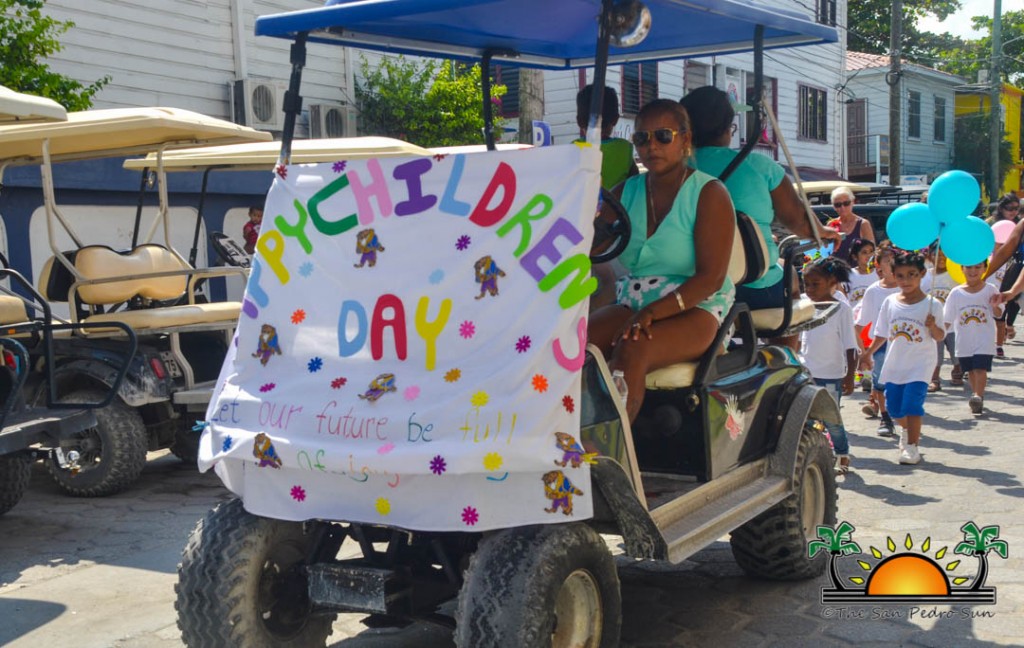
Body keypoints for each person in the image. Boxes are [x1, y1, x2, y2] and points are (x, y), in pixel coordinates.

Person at [589, 99, 735, 422]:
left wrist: (652, 312)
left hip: (695, 306)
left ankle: (612, 448)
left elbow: (710, 279)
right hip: (635, 302)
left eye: (663, 136)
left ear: (685, 140)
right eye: (641, 138)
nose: (651, 146)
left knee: (632, 349)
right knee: (573, 345)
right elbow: (590, 246)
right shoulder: (625, 191)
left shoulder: (709, 193)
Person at [679, 86, 840, 314]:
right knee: (790, 274)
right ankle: (784, 337)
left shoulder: (672, 172)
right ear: (727, 128)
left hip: (688, 286)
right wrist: (823, 231)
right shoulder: (760, 166)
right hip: (754, 288)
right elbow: (801, 223)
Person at [862, 251, 945, 465]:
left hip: (920, 365)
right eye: (900, 275)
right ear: (893, 275)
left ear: (922, 274)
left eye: (912, 275)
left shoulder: (932, 305)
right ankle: (907, 430)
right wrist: (868, 353)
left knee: (912, 406)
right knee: (895, 409)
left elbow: (940, 336)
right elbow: (881, 333)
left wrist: (933, 326)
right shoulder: (890, 302)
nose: (906, 280)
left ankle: (912, 447)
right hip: (895, 364)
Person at [799, 256, 857, 474]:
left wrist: (849, 376)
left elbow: (851, 346)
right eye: (806, 284)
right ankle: (813, 455)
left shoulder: (841, 309)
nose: (810, 289)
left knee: (832, 419)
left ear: (832, 282)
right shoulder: (804, 305)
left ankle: (842, 454)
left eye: (816, 284)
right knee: (807, 418)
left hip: (831, 375)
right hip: (807, 373)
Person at [945, 261, 1002, 415]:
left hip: (984, 339)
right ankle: (975, 394)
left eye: (978, 267)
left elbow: (999, 314)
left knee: (980, 368)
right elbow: (947, 318)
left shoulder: (990, 289)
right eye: (969, 267)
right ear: (962, 269)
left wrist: (995, 306)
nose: (973, 271)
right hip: (964, 340)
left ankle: (978, 396)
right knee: (970, 370)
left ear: (984, 269)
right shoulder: (956, 293)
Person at [855, 242, 899, 436]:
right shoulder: (873, 291)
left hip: (903, 344)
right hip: (879, 345)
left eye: (894, 260)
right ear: (878, 265)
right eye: (887, 261)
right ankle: (885, 417)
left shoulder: (907, 288)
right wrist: (863, 353)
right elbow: (860, 324)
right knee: (880, 381)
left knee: (901, 383)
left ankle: (905, 419)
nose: (892, 264)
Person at [576, 84, 639, 190]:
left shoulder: (573, 148)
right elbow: (635, 182)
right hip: (618, 200)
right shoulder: (624, 149)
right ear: (615, 119)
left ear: (579, 121)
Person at [984, 200, 1024, 356]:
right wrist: (983, 277)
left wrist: (1014, 291)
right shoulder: (1022, 225)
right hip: (1016, 272)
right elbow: (1006, 250)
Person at [926, 247, 961, 392]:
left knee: (956, 352)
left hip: (952, 323)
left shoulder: (954, 275)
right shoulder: (925, 276)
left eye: (944, 255)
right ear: (930, 256)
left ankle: (958, 370)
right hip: (933, 324)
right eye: (937, 255)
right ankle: (934, 379)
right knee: (935, 353)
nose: (941, 258)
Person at [845, 238, 876, 390]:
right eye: (864, 252)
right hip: (855, 319)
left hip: (872, 318)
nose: (869, 256)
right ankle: (857, 374)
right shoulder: (850, 275)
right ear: (855, 256)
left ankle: (868, 375)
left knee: (870, 347)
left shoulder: (878, 274)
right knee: (856, 348)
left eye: (871, 252)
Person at [828, 186, 875, 262]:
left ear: (853, 202)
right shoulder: (831, 225)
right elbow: (826, 252)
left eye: (846, 203)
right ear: (833, 206)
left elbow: (871, 252)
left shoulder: (863, 224)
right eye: (838, 205)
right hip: (836, 268)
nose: (842, 207)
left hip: (857, 269)